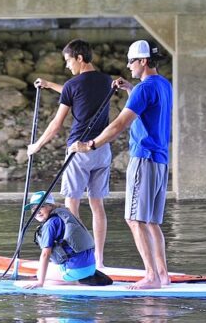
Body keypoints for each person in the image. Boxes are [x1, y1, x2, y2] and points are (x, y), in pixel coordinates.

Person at [68, 40, 172, 290]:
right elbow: (149, 107)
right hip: (160, 161)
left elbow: (118, 125)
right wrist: (129, 89)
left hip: (143, 159)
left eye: (131, 61)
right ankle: (162, 275)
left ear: (143, 61)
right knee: (151, 222)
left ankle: (151, 277)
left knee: (134, 220)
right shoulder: (163, 85)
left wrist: (89, 144)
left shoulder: (143, 90)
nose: (128, 65)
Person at [27, 39, 112, 268]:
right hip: (102, 149)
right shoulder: (107, 81)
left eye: (68, 61)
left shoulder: (73, 85)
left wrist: (37, 146)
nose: (67, 66)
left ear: (79, 58)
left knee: (71, 208)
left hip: (78, 151)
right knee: (97, 206)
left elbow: (56, 124)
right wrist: (49, 84)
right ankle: (99, 260)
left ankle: (76, 260)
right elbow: (75, 91)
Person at [22, 190, 112, 289]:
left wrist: (40, 282)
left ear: (51, 206)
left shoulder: (49, 224)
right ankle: (84, 276)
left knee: (40, 274)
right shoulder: (65, 215)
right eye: (33, 208)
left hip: (76, 270)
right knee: (52, 266)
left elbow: (45, 254)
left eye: (41, 206)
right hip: (91, 267)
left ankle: (77, 282)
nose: (37, 211)